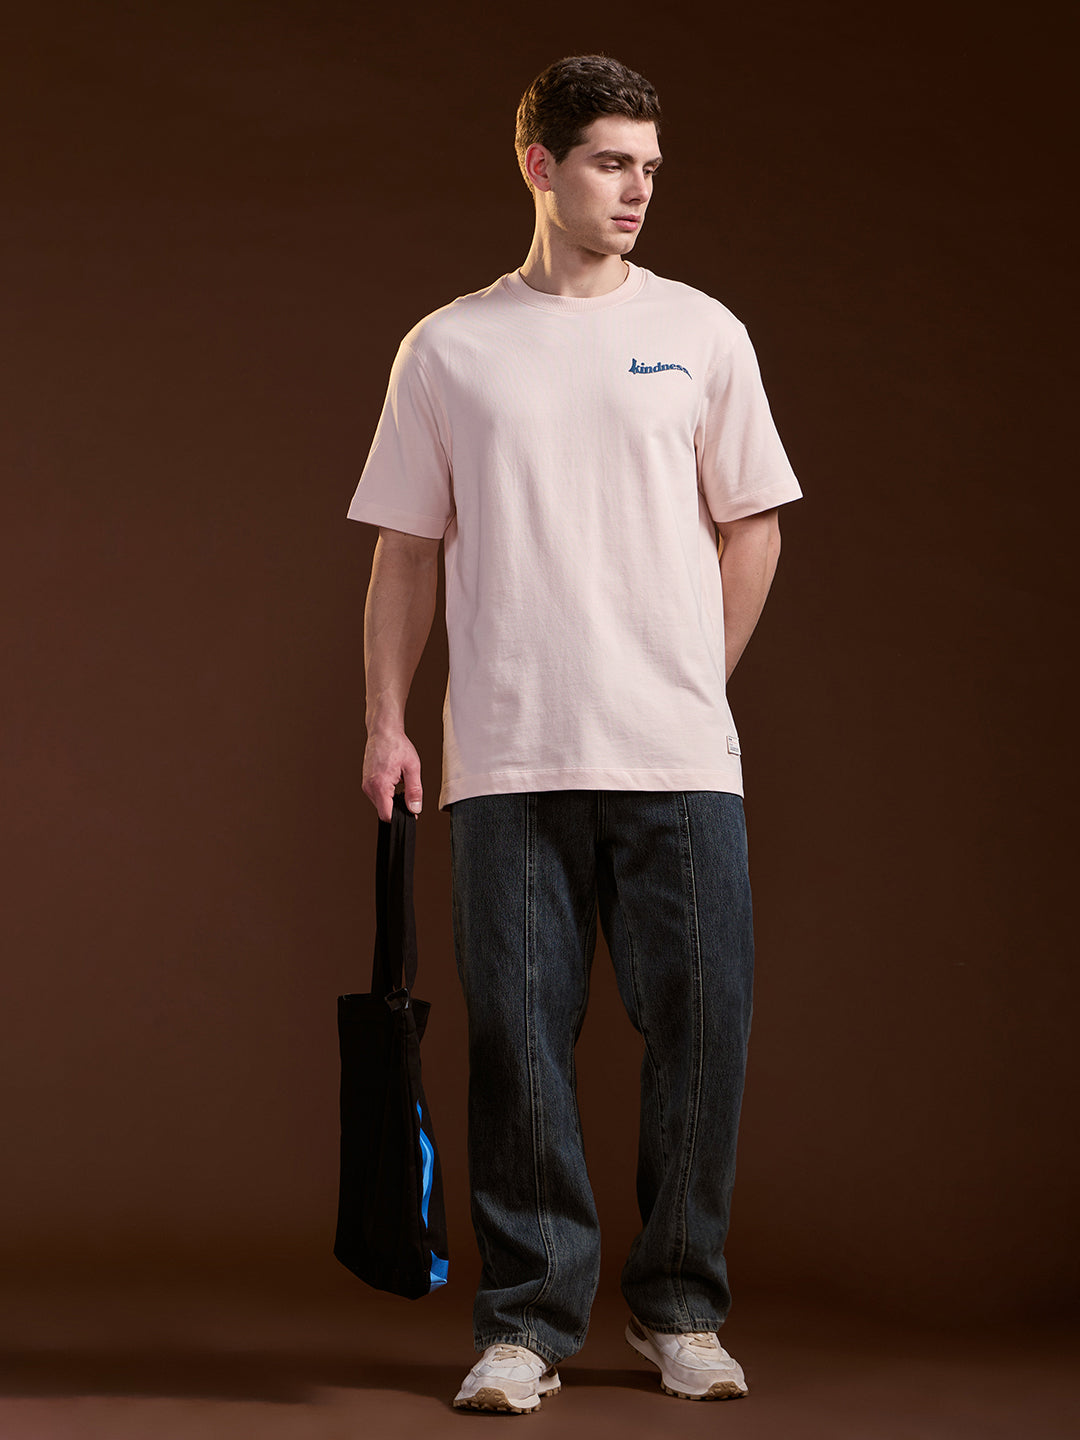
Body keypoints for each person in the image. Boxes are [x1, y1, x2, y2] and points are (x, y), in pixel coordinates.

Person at [348, 54, 802, 1413]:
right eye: (611, 161)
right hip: (509, 757)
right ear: (539, 165)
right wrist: (385, 722)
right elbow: (405, 549)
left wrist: (694, 678)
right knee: (519, 1046)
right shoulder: (449, 346)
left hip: (678, 761)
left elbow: (754, 528)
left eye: (650, 167)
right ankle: (529, 1323)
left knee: (704, 1032)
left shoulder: (704, 333)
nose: (638, 189)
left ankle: (680, 1307)